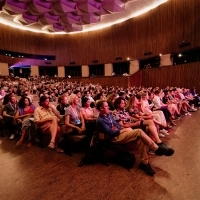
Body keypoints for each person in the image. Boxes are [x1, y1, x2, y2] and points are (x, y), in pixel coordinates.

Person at [96, 100, 174, 175]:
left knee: (139, 138)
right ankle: (156, 148)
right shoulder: (100, 120)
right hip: (114, 138)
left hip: (119, 133)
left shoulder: (108, 115)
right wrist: (121, 130)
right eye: (106, 106)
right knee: (138, 131)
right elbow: (111, 132)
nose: (108, 107)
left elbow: (117, 125)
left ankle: (144, 163)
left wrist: (120, 129)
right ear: (101, 108)